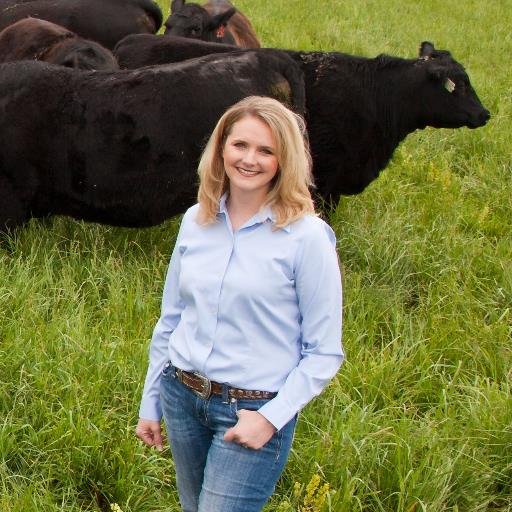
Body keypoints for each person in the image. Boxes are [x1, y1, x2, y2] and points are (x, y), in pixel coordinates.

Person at [136, 95, 343, 512]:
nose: (250, 159)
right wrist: (152, 399)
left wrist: (269, 417)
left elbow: (324, 352)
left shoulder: (307, 237)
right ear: (221, 149)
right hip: (182, 396)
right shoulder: (196, 221)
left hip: (252, 408)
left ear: (286, 160)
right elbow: (171, 320)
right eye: (240, 145)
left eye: (266, 150)